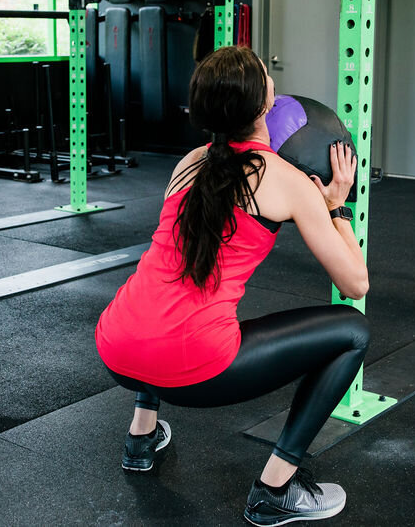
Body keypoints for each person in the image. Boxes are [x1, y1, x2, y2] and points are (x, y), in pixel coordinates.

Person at [95, 46, 371, 525]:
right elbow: (355, 283)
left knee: (167, 298)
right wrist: (335, 206)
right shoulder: (287, 181)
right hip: (195, 369)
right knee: (352, 331)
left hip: (116, 349)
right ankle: (275, 489)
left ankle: (141, 438)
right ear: (265, 103)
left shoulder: (189, 163)